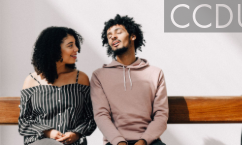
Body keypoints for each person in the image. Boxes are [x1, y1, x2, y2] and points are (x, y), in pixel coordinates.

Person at [91, 14, 168, 145]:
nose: (113, 37)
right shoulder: (99, 75)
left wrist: (144, 141)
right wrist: (119, 142)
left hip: (148, 141)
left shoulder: (155, 73)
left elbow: (161, 115)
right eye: (109, 36)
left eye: (118, 32)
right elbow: (101, 115)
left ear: (133, 36)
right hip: (115, 142)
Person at [18, 26, 96, 145]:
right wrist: (48, 132)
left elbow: (90, 117)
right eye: (70, 45)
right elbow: (24, 122)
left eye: (76, 45)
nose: (76, 49)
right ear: (53, 49)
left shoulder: (81, 79)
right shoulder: (31, 81)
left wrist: (76, 134)